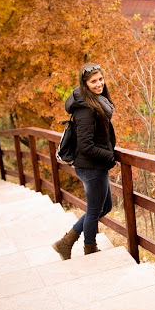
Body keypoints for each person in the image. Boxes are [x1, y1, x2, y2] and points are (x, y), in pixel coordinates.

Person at [52, 62, 116, 260]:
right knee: (94, 210)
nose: (99, 84)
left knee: (104, 207)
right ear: (85, 84)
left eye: (100, 79)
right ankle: (89, 248)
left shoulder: (96, 102)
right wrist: (110, 156)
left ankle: (66, 242)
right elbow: (86, 146)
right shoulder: (86, 109)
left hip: (95, 165)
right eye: (93, 81)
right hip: (91, 167)